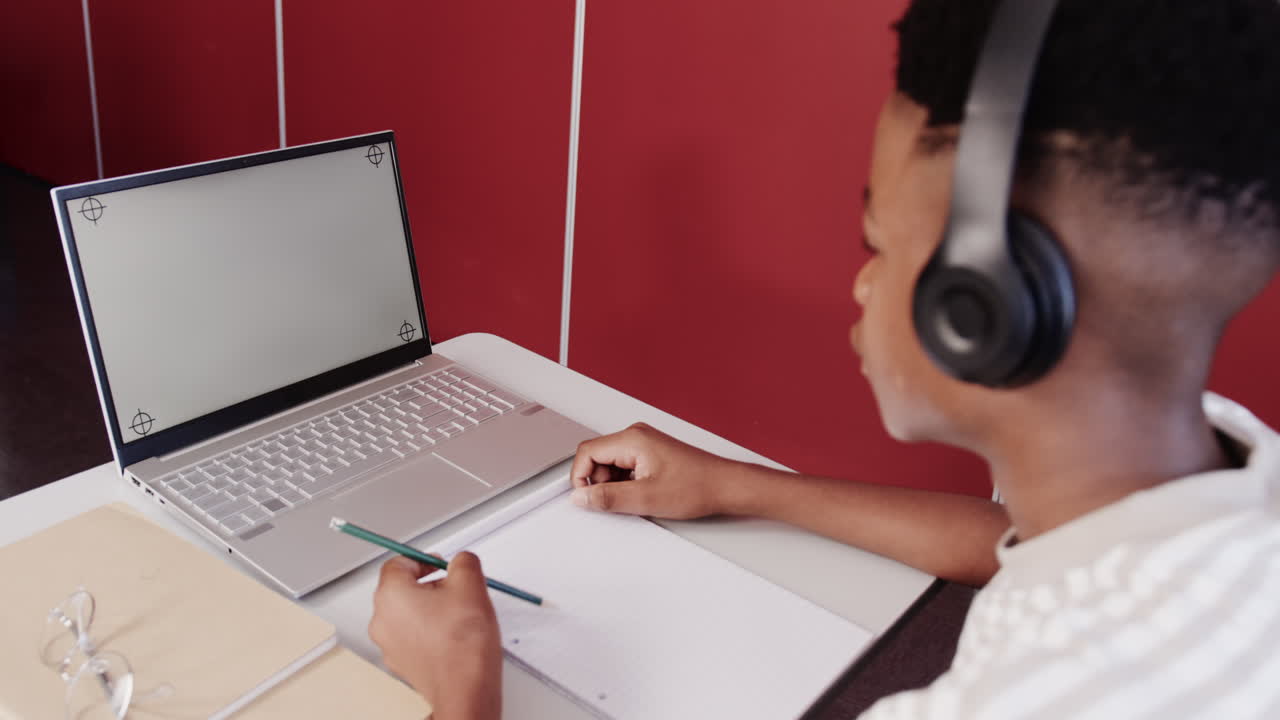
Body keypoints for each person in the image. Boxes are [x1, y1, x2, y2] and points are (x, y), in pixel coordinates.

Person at [367, 0, 1280, 717]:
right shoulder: (1225, 495)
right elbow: (1024, 554)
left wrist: (462, 687)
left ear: (984, 304)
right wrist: (736, 485)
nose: (860, 286)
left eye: (876, 241)